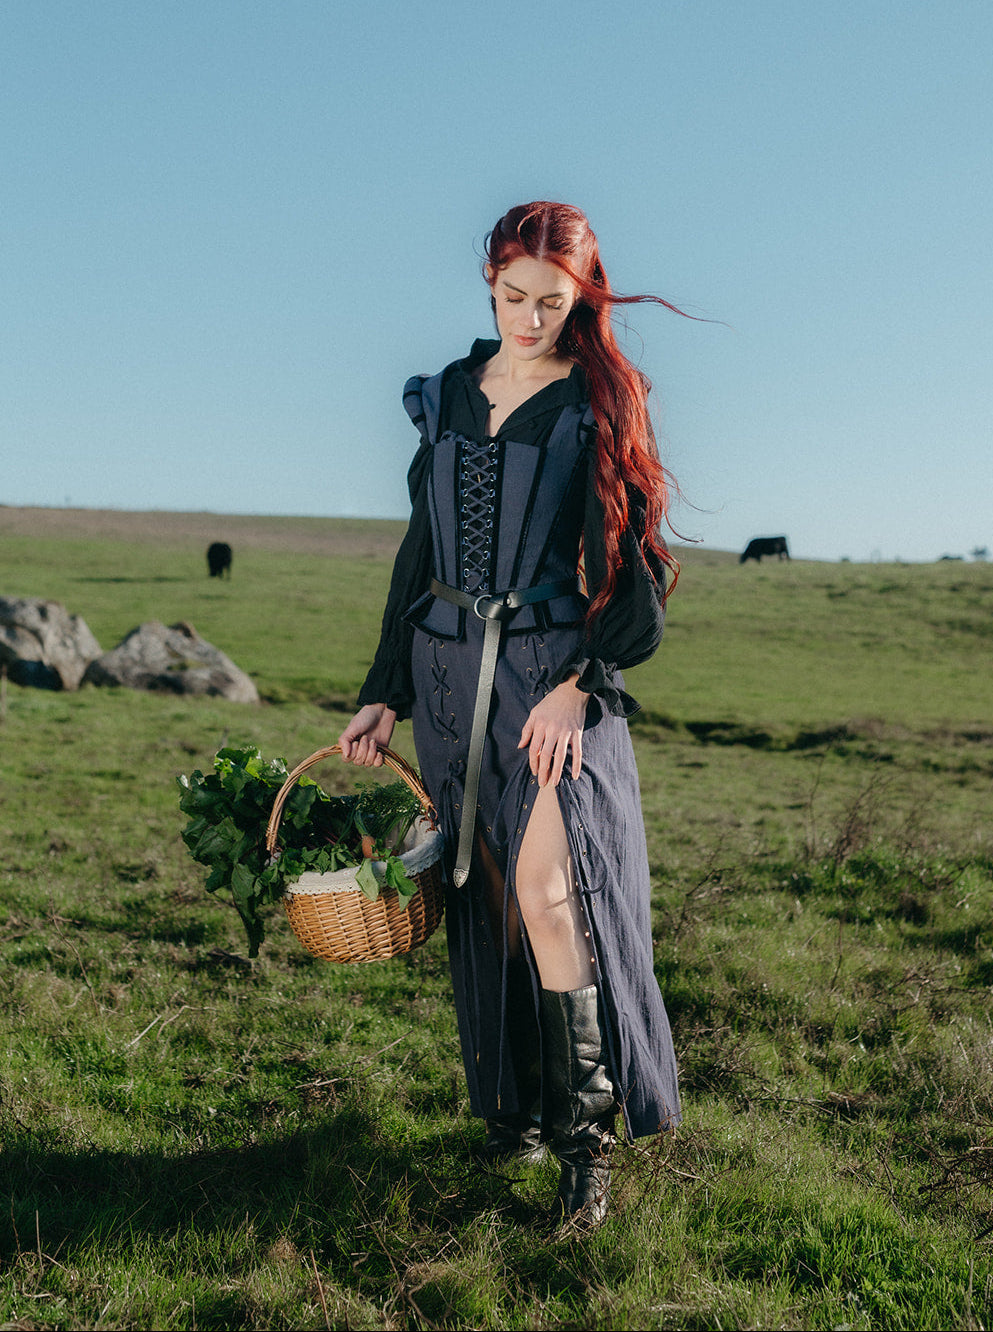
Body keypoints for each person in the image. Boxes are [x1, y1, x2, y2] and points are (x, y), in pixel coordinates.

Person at [339, 201, 682, 1229]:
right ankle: (519, 1117)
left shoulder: (600, 400)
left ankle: (589, 1153)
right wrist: (383, 689)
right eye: (512, 297)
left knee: (548, 893)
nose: (531, 318)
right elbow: (420, 551)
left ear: (585, 296)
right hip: (446, 672)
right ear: (489, 284)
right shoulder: (447, 391)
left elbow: (641, 565)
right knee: (484, 893)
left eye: (553, 301)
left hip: (549, 675)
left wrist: (583, 688)